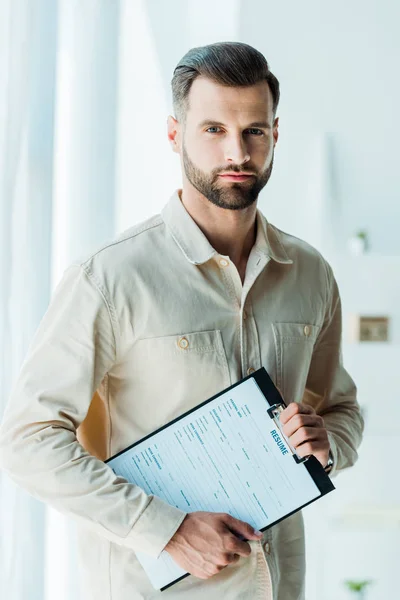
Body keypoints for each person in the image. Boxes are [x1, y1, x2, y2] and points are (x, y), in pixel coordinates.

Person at [0, 41, 363, 600]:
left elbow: (339, 407)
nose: (236, 152)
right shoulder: (110, 277)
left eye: (254, 131)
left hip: (281, 585)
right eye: (213, 129)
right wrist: (164, 529)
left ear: (274, 134)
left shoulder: (311, 273)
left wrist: (328, 442)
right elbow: (27, 439)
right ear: (175, 135)